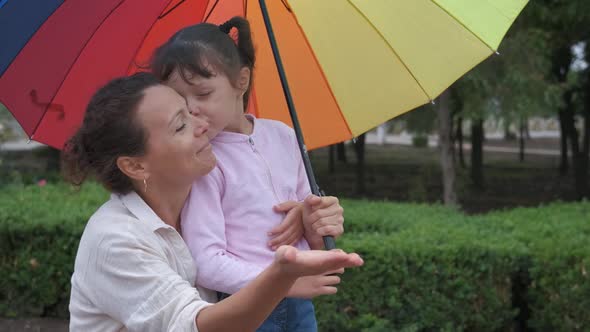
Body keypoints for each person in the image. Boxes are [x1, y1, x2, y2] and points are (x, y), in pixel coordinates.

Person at [63, 72, 363, 332]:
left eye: (190, 110)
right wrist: (280, 278)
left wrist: (308, 222)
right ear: (136, 166)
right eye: (180, 126)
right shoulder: (115, 240)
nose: (202, 124)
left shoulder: (208, 202)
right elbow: (194, 325)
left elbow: (271, 236)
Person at [151, 17, 344, 331]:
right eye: (180, 100)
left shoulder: (284, 136)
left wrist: (313, 221)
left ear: (241, 80)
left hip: (300, 302)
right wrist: (280, 282)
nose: (191, 109)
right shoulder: (203, 161)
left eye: (202, 94)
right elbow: (205, 262)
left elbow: (312, 228)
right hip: (245, 305)